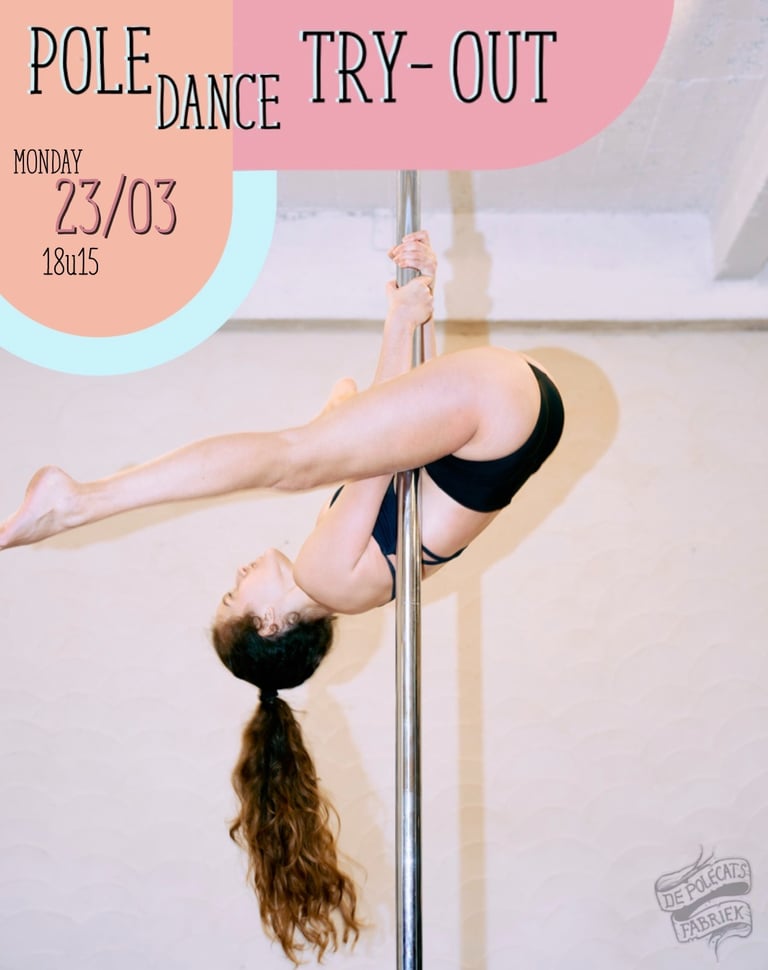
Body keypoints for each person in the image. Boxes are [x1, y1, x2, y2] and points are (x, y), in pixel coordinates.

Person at [0, 232, 564, 963]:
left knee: (314, 448)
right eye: (233, 594)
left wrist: (400, 321)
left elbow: (380, 439)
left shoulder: (345, 579)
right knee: (292, 459)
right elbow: (367, 454)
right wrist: (339, 417)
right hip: (498, 413)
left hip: (510, 415)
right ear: (268, 621)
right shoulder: (325, 575)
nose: (238, 574)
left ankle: (83, 502)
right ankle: (82, 503)